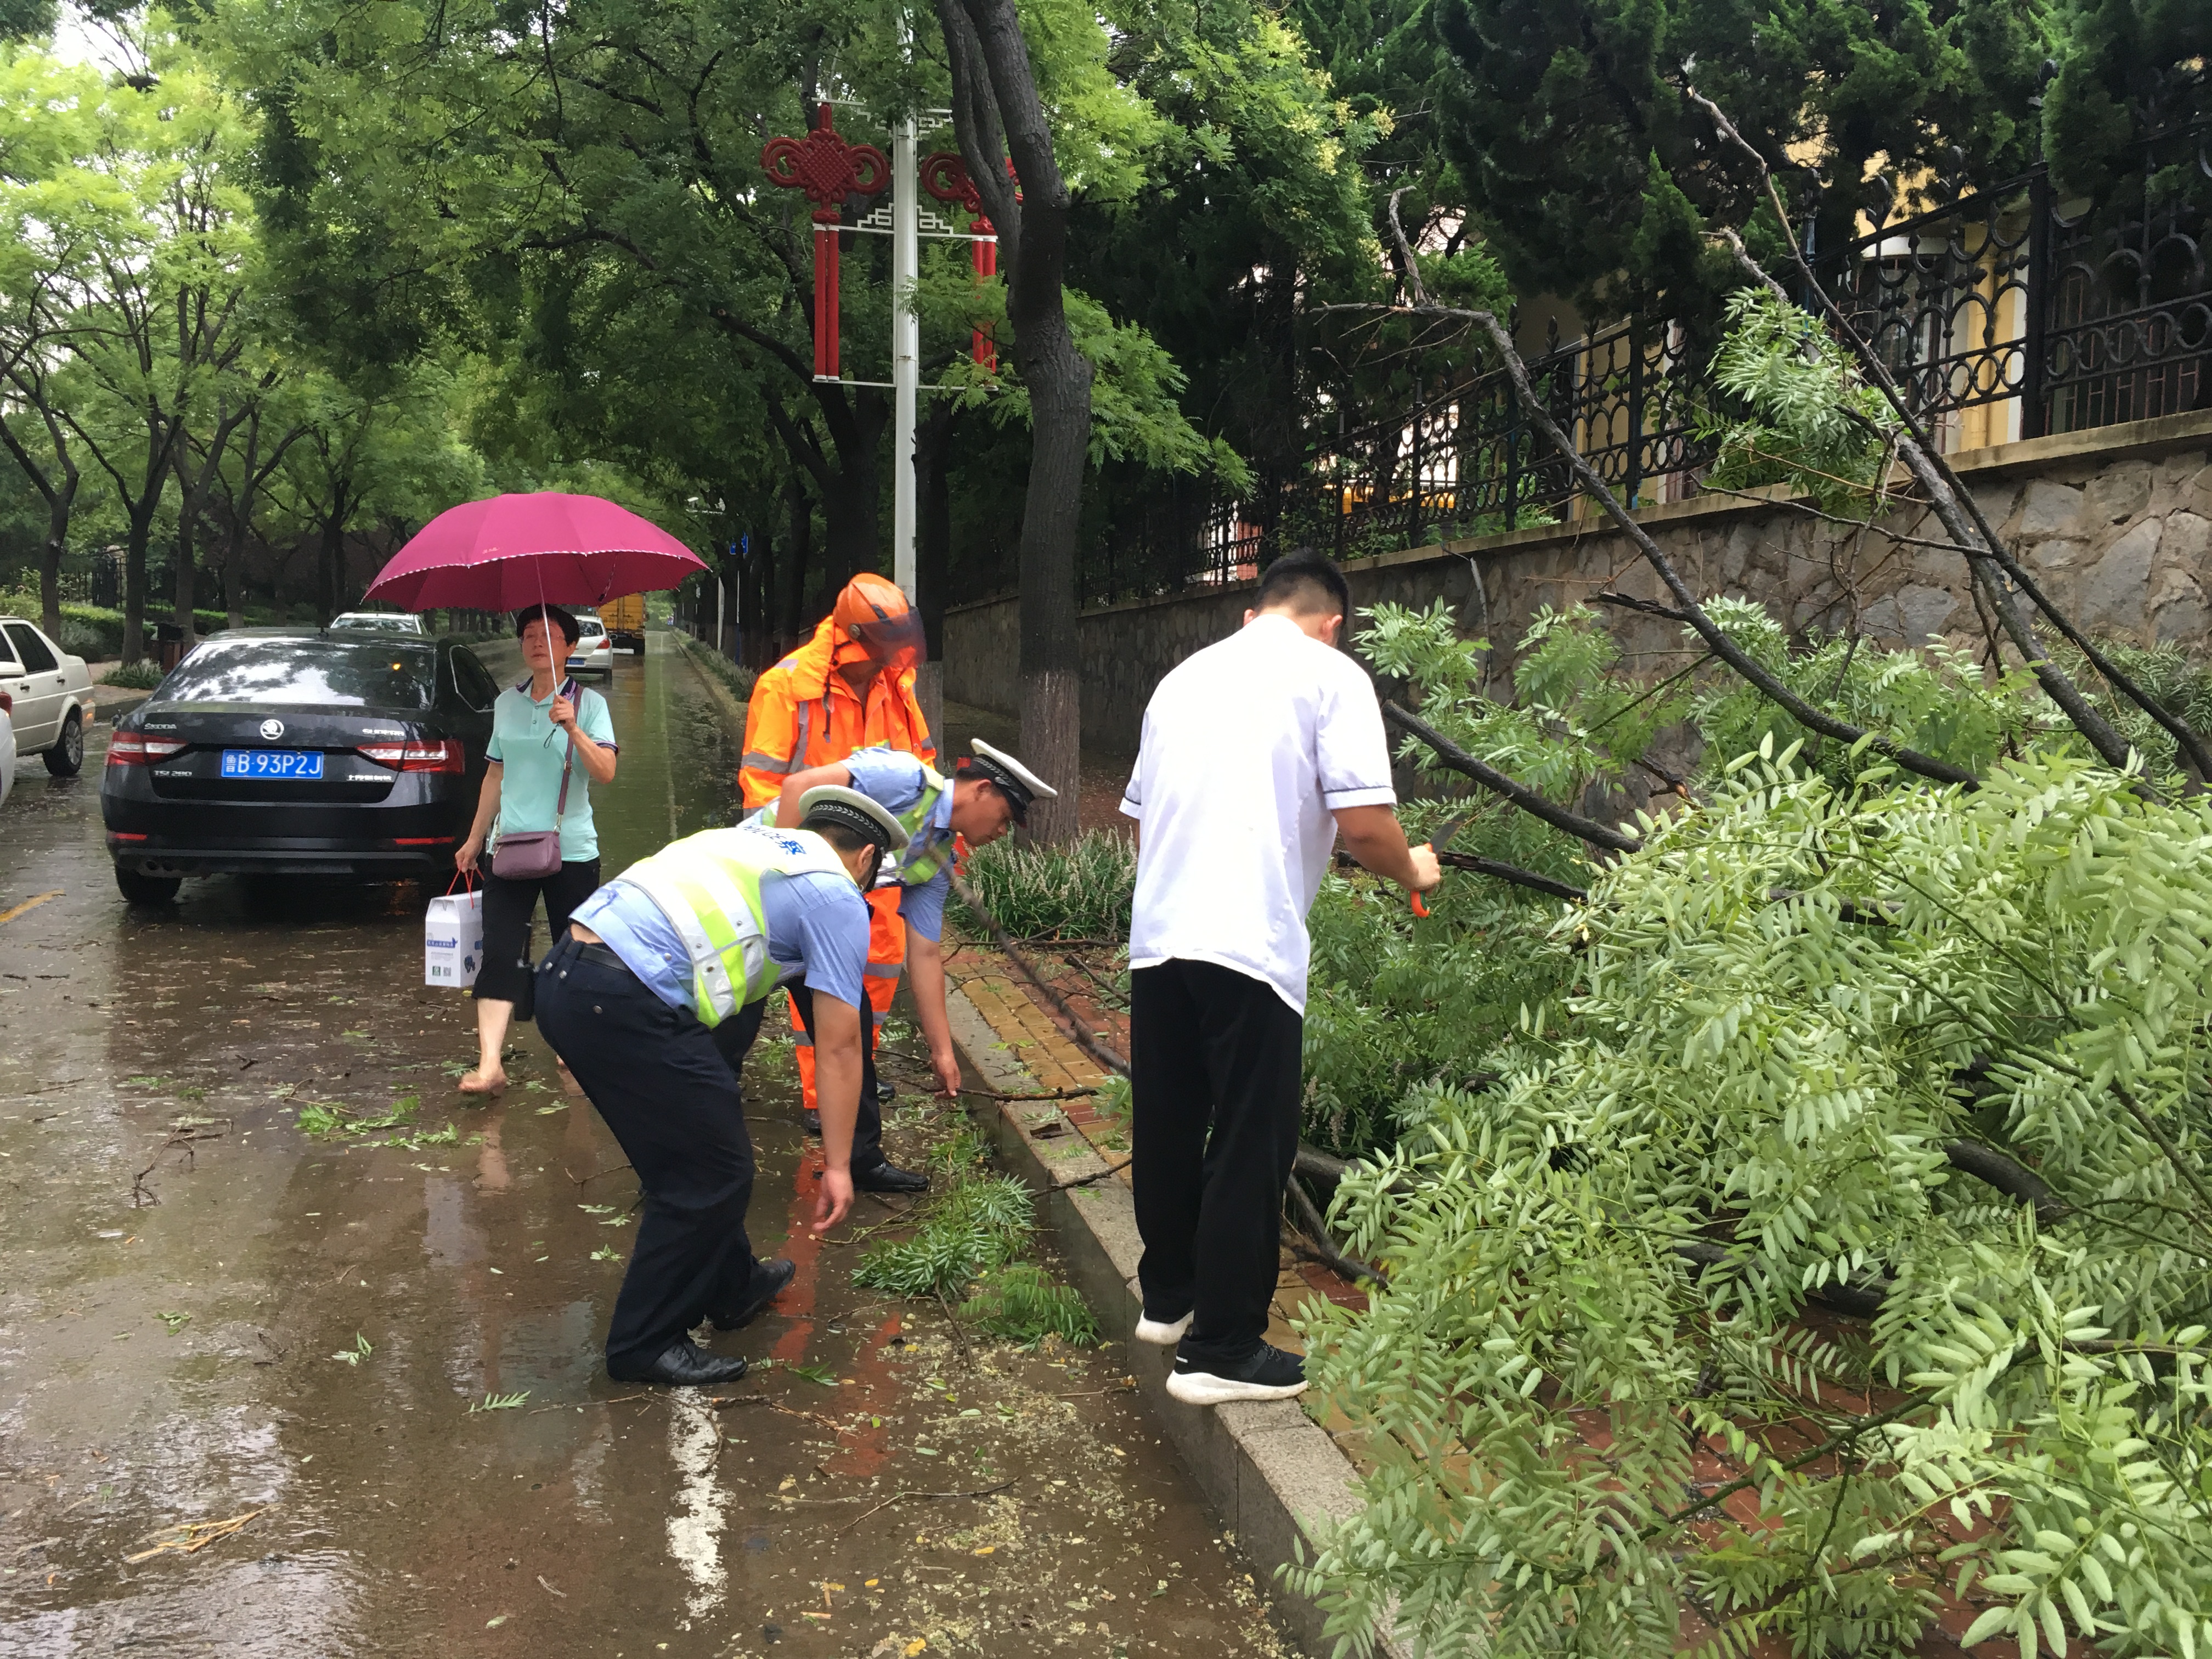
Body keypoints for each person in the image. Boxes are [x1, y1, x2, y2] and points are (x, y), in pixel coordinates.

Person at [1119, 550, 1441, 1407]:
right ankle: (1223, 1347)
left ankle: (1170, 1299)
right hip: (1249, 939)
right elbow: (1367, 827)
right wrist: (1415, 871)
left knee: (1171, 1119)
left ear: (1254, 611)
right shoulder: (1331, 676)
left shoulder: (1180, 680)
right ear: (1331, 621)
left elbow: (1146, 826)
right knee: (1250, 1140)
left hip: (1160, 936)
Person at [534, 786, 907, 1387]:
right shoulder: (836, 893)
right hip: (624, 1000)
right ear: (865, 857)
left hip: (566, 980)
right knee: (712, 1173)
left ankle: (734, 1286)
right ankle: (643, 1343)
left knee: (697, 1154)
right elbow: (838, 1044)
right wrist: (839, 1163)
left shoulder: (751, 839)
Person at [764, 737, 1058, 1182]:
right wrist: (781, 889)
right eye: (1005, 819)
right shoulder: (904, 779)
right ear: (981, 791)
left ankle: (861, 1162)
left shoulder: (937, 858)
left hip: (814, 929)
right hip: (757, 903)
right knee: (725, 1031)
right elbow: (796, 788)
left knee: (852, 1028)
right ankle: (690, 1164)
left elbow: (924, 954)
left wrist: (942, 1052)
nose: (1002, 833)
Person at [740, 573, 934, 1135]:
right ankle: (822, 1092)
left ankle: (857, 1071)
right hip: (812, 864)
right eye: (881, 648)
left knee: (879, 966)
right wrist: (798, 859)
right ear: (853, 638)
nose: (889, 660)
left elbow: (919, 764)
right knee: (826, 979)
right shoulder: (787, 687)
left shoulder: (896, 682)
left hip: (881, 857)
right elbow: (762, 788)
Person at [455, 603, 619, 1095]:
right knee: (500, 952)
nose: (535, 642)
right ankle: (490, 1065)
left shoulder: (589, 705)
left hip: (570, 850)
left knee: (574, 955)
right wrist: (475, 836)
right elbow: (495, 774)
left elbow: (607, 773)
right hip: (509, 848)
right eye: (527, 633)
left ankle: (574, 1046)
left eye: (547, 634)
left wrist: (572, 728)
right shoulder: (507, 703)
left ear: (569, 647)